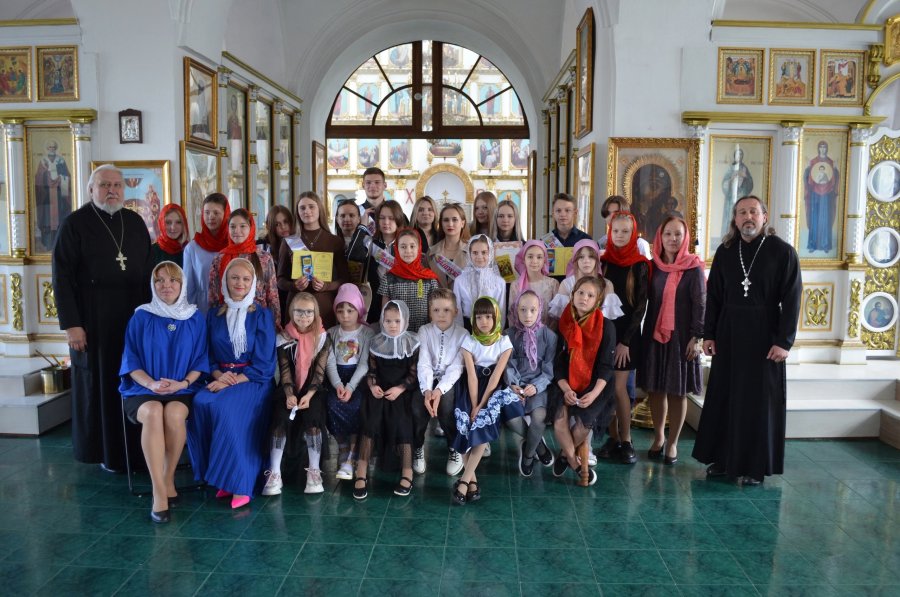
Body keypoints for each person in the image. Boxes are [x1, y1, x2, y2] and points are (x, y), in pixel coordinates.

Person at [693, 195, 801, 486]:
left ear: (764, 216)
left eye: (753, 211)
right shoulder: (726, 251)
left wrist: (784, 342)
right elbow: (714, 296)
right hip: (728, 334)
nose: (748, 217)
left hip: (765, 336)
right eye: (742, 212)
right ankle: (722, 459)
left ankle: (754, 467)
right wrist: (709, 333)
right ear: (735, 219)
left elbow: (792, 299)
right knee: (725, 397)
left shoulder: (782, 252)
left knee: (758, 402)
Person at [52, 164, 152, 472]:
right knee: (100, 383)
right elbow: (61, 277)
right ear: (91, 190)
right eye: (105, 185)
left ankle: (136, 451)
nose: (112, 191)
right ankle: (105, 453)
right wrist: (72, 325)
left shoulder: (134, 222)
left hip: (132, 317)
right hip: (92, 321)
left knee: (133, 379)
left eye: (117, 185)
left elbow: (147, 274)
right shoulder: (74, 224)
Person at [119, 262, 208, 523]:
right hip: (143, 388)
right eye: (159, 280)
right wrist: (151, 385)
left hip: (183, 388)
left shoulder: (194, 318)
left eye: (172, 280)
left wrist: (182, 383)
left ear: (182, 285)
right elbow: (130, 362)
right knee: (154, 411)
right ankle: (159, 491)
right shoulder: (141, 317)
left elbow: (201, 360)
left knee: (174, 414)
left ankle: (168, 479)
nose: (166, 286)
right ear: (152, 284)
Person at [188, 258, 276, 508]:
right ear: (225, 280)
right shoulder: (214, 315)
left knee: (225, 408)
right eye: (234, 278)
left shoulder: (262, 315)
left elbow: (265, 363)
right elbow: (207, 355)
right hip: (220, 378)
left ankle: (241, 483)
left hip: (254, 380)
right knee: (200, 402)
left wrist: (234, 380)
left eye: (246, 279)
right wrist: (218, 376)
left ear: (254, 283)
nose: (240, 283)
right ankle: (221, 477)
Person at [638, 216, 705, 466]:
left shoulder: (693, 267)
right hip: (654, 335)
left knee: (678, 392)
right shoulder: (652, 266)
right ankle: (659, 437)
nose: (672, 239)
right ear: (660, 237)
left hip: (683, 338)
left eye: (678, 234)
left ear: (685, 237)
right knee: (655, 389)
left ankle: (673, 443)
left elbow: (701, 304)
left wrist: (697, 337)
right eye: (668, 234)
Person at [451, 297, 523, 504]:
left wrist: (481, 406)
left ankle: (464, 481)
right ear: (473, 319)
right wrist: (474, 405)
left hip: (493, 389)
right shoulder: (469, 342)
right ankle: (472, 482)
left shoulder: (504, 342)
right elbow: (472, 377)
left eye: (489, 317)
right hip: (470, 388)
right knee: (464, 427)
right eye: (479, 317)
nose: (484, 322)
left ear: (496, 318)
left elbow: (495, 377)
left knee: (482, 425)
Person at [551, 276, 616, 486]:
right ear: (573, 295)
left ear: (597, 301)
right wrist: (566, 388)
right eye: (580, 293)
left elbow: (607, 367)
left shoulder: (606, 326)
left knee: (582, 426)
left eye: (590, 295)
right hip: (566, 381)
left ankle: (563, 455)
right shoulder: (564, 322)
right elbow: (558, 363)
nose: (584, 298)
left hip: (596, 385)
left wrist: (594, 394)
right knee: (559, 420)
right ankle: (575, 463)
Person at [262, 293, 330, 496]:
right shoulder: (283, 337)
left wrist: (308, 395)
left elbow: (319, 372)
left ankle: (314, 471)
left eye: (309, 312)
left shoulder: (322, 337)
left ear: (315, 313)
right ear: (291, 312)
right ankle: (275, 472)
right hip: (288, 387)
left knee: (313, 418)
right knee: (280, 417)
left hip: (313, 389)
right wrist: (289, 394)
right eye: (299, 311)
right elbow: (284, 370)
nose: (304, 316)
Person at [354, 300, 421, 500]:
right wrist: (373, 386)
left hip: (402, 391)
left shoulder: (412, 343)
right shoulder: (376, 343)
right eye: (388, 321)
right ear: (382, 321)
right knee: (370, 421)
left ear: (405, 321)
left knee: (402, 422)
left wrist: (400, 389)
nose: (392, 325)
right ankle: (361, 471)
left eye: (397, 321)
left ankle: (407, 471)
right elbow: (372, 371)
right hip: (380, 390)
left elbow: (413, 374)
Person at [600, 212, 650, 465]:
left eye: (625, 232)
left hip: (627, 337)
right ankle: (612, 438)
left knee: (619, 389)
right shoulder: (603, 262)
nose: (620, 236)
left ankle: (626, 439)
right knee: (607, 388)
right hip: (605, 334)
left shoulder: (640, 264)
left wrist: (625, 342)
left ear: (633, 234)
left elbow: (640, 307)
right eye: (616, 231)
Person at [323, 284, 375, 481]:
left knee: (357, 406)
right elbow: (329, 362)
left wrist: (350, 387)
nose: (345, 315)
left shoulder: (367, 333)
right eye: (340, 311)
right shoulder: (331, 333)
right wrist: (338, 385)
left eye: (350, 310)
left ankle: (352, 453)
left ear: (359, 310)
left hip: (357, 380)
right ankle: (343, 447)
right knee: (331, 404)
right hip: (337, 379)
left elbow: (364, 364)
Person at [277, 191, 350, 329]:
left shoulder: (335, 241)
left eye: (311, 206)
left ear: (319, 209)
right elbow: (280, 280)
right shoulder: (289, 242)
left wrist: (326, 286)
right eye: (302, 208)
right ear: (297, 212)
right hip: (296, 306)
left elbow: (345, 279)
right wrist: (294, 286)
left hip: (324, 306)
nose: (307, 211)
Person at [417, 289, 468, 476]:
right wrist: (427, 390)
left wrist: (439, 391)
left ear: (455, 312)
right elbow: (424, 362)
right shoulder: (424, 331)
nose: (441, 315)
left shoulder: (463, 334)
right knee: (417, 406)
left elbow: (457, 367)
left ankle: (454, 447)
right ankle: (417, 446)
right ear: (430, 312)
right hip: (427, 379)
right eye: (436, 310)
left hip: (450, 381)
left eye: (446, 310)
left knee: (446, 407)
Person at [507, 291, 557, 476]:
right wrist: (514, 385)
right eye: (523, 310)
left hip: (539, 387)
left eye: (532, 310)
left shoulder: (549, 336)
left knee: (539, 418)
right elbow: (507, 364)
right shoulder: (509, 334)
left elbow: (549, 369)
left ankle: (528, 455)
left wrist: (536, 386)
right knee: (511, 418)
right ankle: (539, 447)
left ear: (540, 311)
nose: (527, 315)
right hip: (516, 386)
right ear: (516, 310)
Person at [207, 209, 281, 330]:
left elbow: (272, 295)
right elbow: (213, 295)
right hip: (227, 320)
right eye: (232, 226)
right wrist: (213, 325)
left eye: (242, 226)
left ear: (251, 228)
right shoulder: (219, 259)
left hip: (258, 321)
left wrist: (275, 325)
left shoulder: (264, 257)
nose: (237, 231)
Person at [379, 228, 439, 332]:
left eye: (412, 246)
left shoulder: (429, 278)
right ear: (397, 249)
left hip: (423, 333)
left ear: (419, 248)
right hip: (397, 334)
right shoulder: (389, 278)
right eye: (403, 246)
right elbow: (385, 311)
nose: (408, 251)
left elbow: (434, 310)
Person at [549, 239, 623, 322]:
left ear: (597, 259)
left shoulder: (607, 284)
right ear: (576, 260)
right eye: (581, 257)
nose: (586, 261)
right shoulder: (566, 284)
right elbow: (564, 317)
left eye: (591, 256)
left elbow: (607, 318)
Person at [184, 193, 231, 314]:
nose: (211, 217)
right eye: (207, 212)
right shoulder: (192, 248)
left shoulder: (233, 245)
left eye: (216, 213)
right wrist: (192, 316)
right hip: (203, 310)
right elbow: (189, 289)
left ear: (226, 215)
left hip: (230, 310)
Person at [365, 200, 407, 323]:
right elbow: (354, 255)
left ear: (398, 219)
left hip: (400, 298)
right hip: (374, 300)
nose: (386, 222)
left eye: (391, 218)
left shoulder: (406, 244)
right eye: (382, 218)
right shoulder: (370, 243)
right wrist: (362, 224)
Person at [455, 234, 507, 330]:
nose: (479, 256)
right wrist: (460, 333)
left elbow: (501, 311)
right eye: (475, 253)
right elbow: (457, 310)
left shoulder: (500, 282)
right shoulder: (459, 281)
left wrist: (498, 332)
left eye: (484, 252)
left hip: (491, 328)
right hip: (466, 328)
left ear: (490, 253)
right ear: (469, 254)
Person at [508, 240, 559, 325]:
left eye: (539, 257)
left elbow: (556, 316)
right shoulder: (515, 285)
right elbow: (511, 315)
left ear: (544, 260)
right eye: (530, 257)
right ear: (523, 259)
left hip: (547, 332)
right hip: (520, 332)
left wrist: (547, 332)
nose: (534, 261)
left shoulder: (553, 284)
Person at [35, 139, 71, 252]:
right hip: (47, 196)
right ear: (47, 148)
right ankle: (47, 244)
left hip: (59, 195)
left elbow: (67, 175)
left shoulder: (61, 160)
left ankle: (60, 244)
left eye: (53, 147)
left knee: (59, 219)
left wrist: (61, 178)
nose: (52, 149)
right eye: (50, 147)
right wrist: (46, 175)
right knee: (47, 220)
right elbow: (38, 178)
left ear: (56, 148)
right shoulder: (43, 161)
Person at [803, 140, 839, 253]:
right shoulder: (813, 161)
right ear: (818, 149)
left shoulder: (830, 162)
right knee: (814, 218)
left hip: (826, 196)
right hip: (814, 195)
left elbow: (834, 179)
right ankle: (812, 244)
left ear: (826, 149)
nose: (822, 149)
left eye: (824, 147)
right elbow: (808, 178)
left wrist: (835, 169)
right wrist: (808, 169)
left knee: (825, 219)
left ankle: (825, 245)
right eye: (821, 147)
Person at [427, 203, 471, 289]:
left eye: (454, 220)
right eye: (446, 220)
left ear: (462, 223)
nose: (450, 224)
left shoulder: (472, 251)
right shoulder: (431, 253)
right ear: (441, 223)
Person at [721, 147, 754, 240]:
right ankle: (729, 235)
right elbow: (724, 183)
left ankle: (740, 236)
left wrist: (745, 177)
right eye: (737, 155)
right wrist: (732, 178)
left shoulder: (744, 168)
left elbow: (750, 183)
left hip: (741, 196)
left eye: (740, 155)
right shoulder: (730, 169)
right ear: (734, 156)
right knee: (730, 216)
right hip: (731, 198)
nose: (739, 157)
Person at [150, 204, 190, 268]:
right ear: (161, 224)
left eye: (178, 222)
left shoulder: (190, 249)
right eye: (168, 222)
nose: (173, 227)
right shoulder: (152, 252)